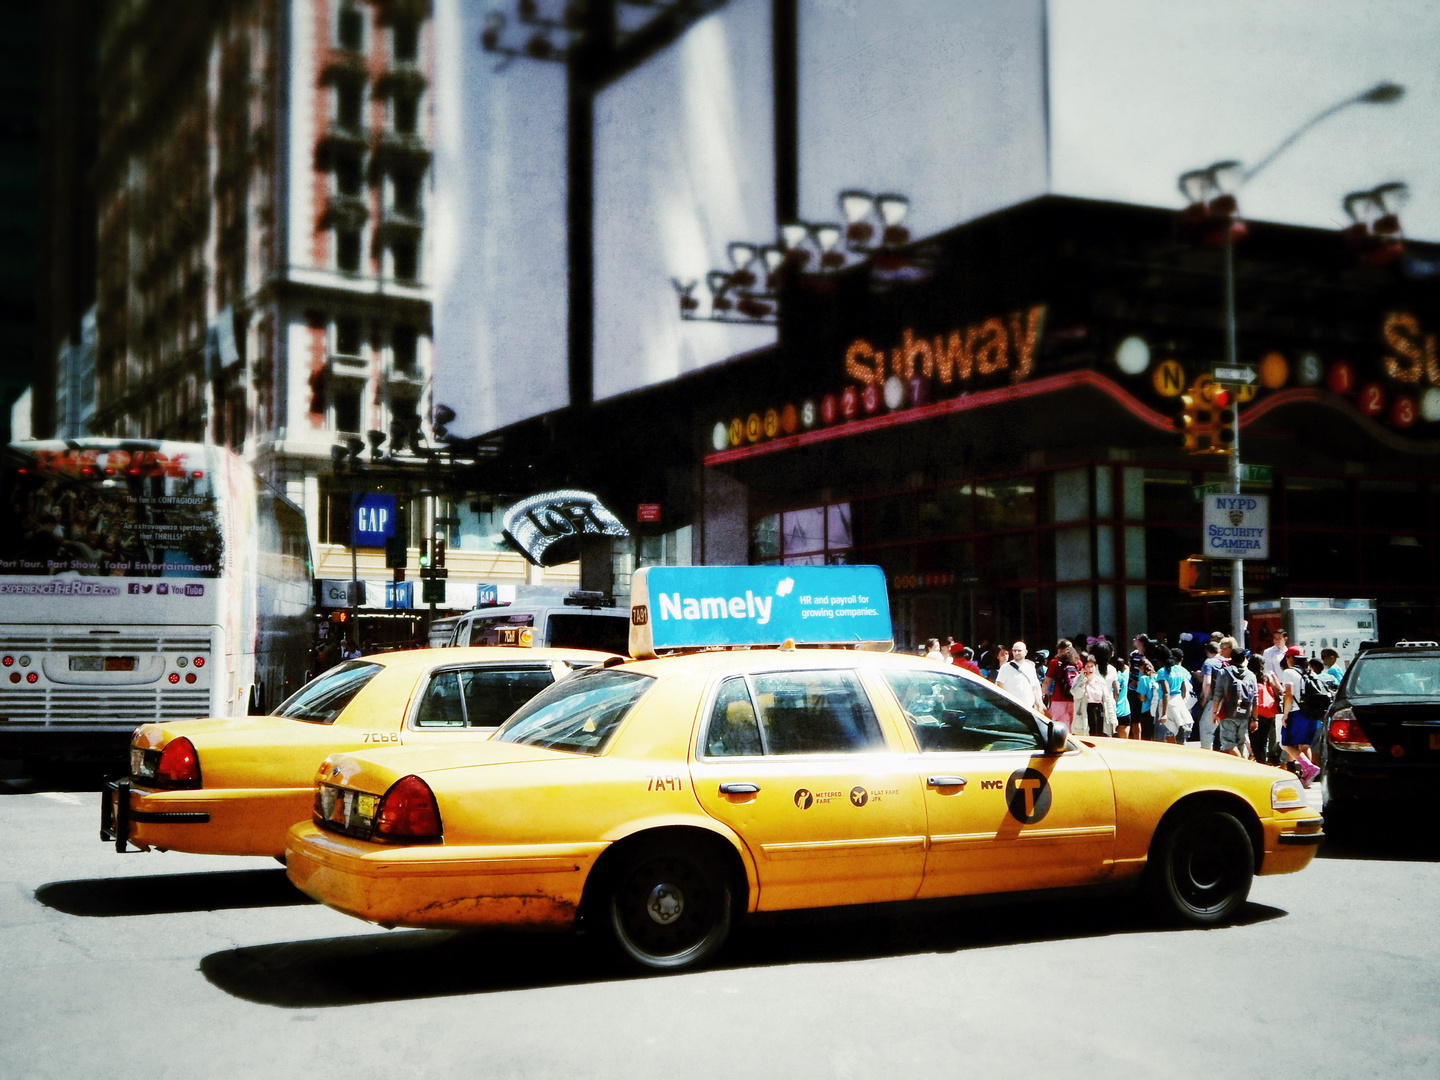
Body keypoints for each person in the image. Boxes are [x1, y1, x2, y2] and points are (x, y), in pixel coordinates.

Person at [1278, 646, 1321, 786]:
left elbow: (1288, 694)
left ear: (1290, 658)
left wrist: (1285, 714)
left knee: (1286, 743)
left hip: (1296, 712)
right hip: (1311, 713)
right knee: (1304, 745)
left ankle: (1309, 767)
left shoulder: (1289, 672)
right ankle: (1307, 778)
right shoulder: (1310, 673)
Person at [1214, 647, 1258, 757]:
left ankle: (1242, 763)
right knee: (1241, 743)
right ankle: (1242, 769)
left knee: (1228, 743)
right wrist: (1255, 719)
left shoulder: (1224, 672)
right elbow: (1255, 699)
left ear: (1231, 658)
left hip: (1228, 712)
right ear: (1244, 659)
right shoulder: (1251, 675)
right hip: (1245, 714)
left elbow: (1218, 694)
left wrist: (1215, 712)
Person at [1070, 651, 1117, 736]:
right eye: (1087, 666)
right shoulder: (1078, 680)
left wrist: (1112, 718)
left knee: (1099, 733)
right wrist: (1083, 679)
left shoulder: (1100, 680)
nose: (1090, 669)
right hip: (1086, 709)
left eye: (1092, 666)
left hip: (1099, 709)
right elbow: (1077, 694)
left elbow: (1107, 700)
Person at [1248, 653, 1281, 765]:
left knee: (1254, 739)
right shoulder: (1267, 676)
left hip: (1255, 710)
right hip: (1269, 710)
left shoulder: (1249, 675)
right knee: (1264, 740)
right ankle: (1262, 760)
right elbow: (1277, 691)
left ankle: (1258, 760)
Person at [1159, 648, 1194, 744]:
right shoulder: (1183, 671)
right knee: (1181, 725)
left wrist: (1163, 713)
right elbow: (1185, 687)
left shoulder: (1162, 671)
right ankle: (1182, 730)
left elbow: (1165, 692)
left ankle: (1180, 729)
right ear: (1181, 659)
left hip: (1167, 701)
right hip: (1181, 701)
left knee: (1168, 729)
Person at [996, 640, 1044, 710]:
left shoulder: (1030, 668)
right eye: (1014, 651)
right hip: (1011, 708)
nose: (1016, 653)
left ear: (1025, 652)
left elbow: (1033, 688)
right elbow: (999, 686)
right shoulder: (1005, 668)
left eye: (1019, 650)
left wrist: (1039, 705)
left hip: (1029, 708)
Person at [1044, 640, 1079, 732]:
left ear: (1059, 650)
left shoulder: (1054, 662)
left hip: (1058, 700)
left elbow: (1047, 681)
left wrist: (1042, 695)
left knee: (1058, 729)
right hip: (1075, 700)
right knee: (1073, 727)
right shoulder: (1078, 663)